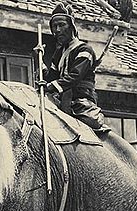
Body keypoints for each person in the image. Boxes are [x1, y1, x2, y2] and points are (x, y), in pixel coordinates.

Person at [41, 3, 108, 131]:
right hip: (61, 102)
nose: (57, 30)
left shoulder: (84, 50)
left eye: (61, 25)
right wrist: (38, 60)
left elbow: (75, 76)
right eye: (54, 26)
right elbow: (51, 78)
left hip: (80, 103)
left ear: (71, 26)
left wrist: (51, 86)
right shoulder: (58, 54)